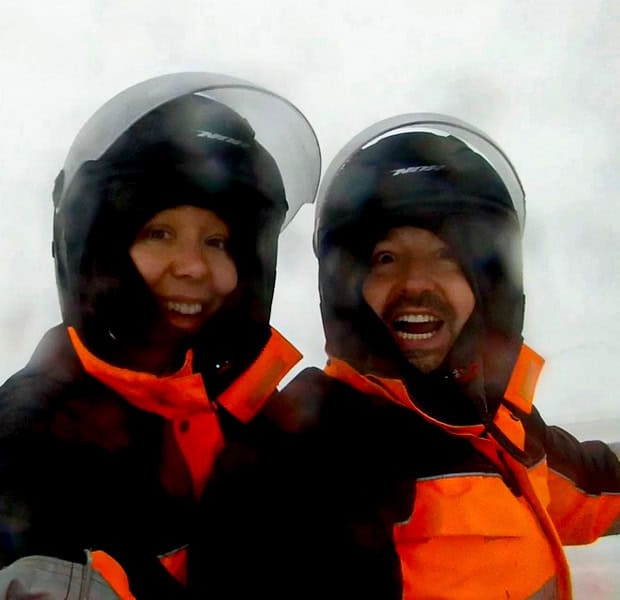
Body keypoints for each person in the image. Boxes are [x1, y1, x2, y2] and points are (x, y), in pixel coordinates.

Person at [0, 72, 322, 599]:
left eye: (217, 240)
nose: (193, 266)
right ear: (102, 249)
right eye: (161, 233)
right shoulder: (45, 423)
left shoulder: (245, 409)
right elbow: (2, 558)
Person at [188, 114, 620, 599]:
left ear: (487, 286)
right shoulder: (302, 456)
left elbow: (589, 488)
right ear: (346, 290)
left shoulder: (494, 420)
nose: (416, 283)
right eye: (386, 259)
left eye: (446, 256)